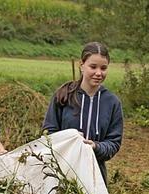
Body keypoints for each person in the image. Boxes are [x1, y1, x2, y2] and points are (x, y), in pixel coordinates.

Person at [42, 41, 123, 184]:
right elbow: (48, 131)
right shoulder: (63, 95)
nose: (98, 73)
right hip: (60, 174)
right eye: (93, 67)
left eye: (103, 68)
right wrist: (68, 138)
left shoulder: (112, 102)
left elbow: (114, 143)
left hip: (95, 175)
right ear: (82, 65)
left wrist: (96, 147)